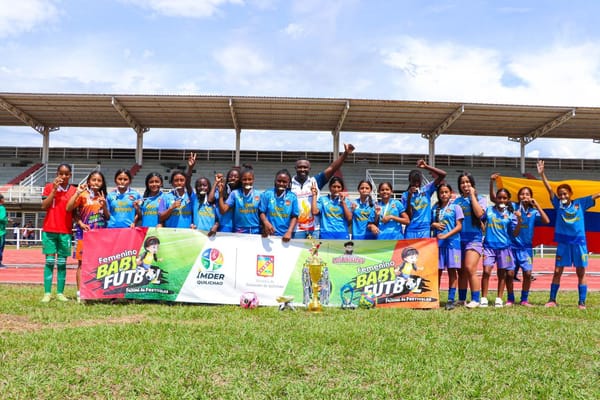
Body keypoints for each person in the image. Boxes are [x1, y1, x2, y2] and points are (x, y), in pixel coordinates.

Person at [538, 160, 600, 309]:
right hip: (563, 243)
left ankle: (581, 302)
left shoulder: (580, 203)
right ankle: (552, 299)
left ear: (570, 194)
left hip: (579, 243)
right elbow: (549, 190)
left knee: (581, 271)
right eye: (560, 194)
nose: (562, 196)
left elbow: (596, 195)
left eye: (565, 193)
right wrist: (542, 174)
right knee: (557, 271)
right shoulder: (557, 204)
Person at [490, 174, 550, 306]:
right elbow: (495, 199)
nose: (525, 196)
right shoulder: (511, 207)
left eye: (527, 194)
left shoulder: (534, 212)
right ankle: (510, 298)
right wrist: (492, 182)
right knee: (510, 274)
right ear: (518, 196)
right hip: (511, 247)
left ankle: (524, 299)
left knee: (528, 273)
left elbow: (547, 220)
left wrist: (537, 205)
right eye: (522, 194)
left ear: (531, 196)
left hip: (526, 248)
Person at [291, 143, 355, 239]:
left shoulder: (315, 181)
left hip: (314, 229)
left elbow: (333, 168)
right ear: (295, 168)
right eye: (300, 167)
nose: (302, 169)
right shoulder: (289, 184)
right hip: (296, 229)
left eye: (305, 167)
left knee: (314, 254)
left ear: (309, 169)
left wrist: (345, 153)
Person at [66, 170, 110, 302]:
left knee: (99, 264)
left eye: (99, 180)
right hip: (84, 235)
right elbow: (69, 209)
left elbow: (107, 217)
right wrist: (80, 222)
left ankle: (97, 291)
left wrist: (105, 206)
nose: (96, 183)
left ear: (102, 183)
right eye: (94, 180)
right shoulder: (83, 195)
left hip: (100, 235)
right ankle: (80, 293)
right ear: (89, 182)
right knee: (82, 264)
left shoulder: (103, 196)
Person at [40, 163, 77, 302]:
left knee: (61, 263)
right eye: (61, 173)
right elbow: (44, 206)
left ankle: (60, 292)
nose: (63, 176)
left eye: (66, 174)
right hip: (49, 229)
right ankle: (47, 293)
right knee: (49, 262)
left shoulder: (74, 190)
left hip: (65, 231)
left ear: (70, 175)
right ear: (57, 174)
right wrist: (54, 190)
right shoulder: (49, 187)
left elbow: (74, 211)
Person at [480, 188, 520, 307]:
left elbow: (515, 233)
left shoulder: (511, 214)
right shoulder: (489, 210)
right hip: (489, 246)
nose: (501, 200)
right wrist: (483, 229)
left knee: (502, 274)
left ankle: (499, 298)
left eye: (504, 198)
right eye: (499, 197)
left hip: (504, 247)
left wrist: (519, 220)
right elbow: (479, 220)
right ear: (495, 199)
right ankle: (484, 298)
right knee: (486, 271)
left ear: (508, 200)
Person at [453, 172, 486, 308]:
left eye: (468, 182)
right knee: (461, 271)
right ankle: (461, 299)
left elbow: (479, 214)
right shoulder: (456, 202)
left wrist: (472, 196)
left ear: (472, 184)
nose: (465, 185)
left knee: (469, 268)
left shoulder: (481, 199)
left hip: (474, 239)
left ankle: (475, 299)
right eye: (462, 182)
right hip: (459, 239)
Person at [431, 183, 463, 310]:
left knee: (452, 271)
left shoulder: (456, 207)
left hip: (453, 244)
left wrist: (446, 235)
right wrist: (434, 224)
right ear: (438, 194)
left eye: (446, 192)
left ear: (450, 193)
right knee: (437, 272)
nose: (444, 194)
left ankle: (450, 299)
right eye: (441, 192)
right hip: (438, 244)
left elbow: (459, 226)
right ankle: (435, 297)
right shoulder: (435, 207)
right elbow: (430, 223)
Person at [403, 159, 447, 239]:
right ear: (409, 181)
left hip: (425, 229)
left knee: (423, 252)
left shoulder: (427, 189)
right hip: (411, 230)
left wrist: (426, 166)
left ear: (421, 181)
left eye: (418, 181)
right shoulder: (405, 195)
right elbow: (408, 216)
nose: (416, 184)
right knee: (410, 251)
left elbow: (443, 175)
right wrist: (410, 196)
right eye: (414, 181)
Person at [218, 164, 262, 234]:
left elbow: (262, 213)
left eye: (249, 179)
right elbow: (223, 210)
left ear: (253, 180)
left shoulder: (259, 194)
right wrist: (220, 193)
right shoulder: (235, 193)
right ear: (241, 180)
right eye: (244, 179)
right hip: (239, 230)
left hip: (255, 230)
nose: (247, 182)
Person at [259, 169, 299, 242]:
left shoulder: (292, 197)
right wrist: (266, 223)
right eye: (279, 181)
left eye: (284, 182)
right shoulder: (267, 194)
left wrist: (289, 232)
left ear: (288, 183)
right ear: (275, 181)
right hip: (268, 234)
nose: (281, 183)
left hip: (285, 235)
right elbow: (261, 212)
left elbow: (295, 216)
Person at [208, 166, 241, 232]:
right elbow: (210, 199)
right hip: (217, 224)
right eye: (231, 176)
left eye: (236, 177)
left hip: (230, 225)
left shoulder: (239, 193)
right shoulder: (222, 188)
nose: (233, 178)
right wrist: (216, 183)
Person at [0, 193, 7, 268]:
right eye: (3, 198)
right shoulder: (2, 208)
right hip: (1, 231)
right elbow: (1, 218)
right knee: (0, 247)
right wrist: (6, 220)